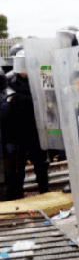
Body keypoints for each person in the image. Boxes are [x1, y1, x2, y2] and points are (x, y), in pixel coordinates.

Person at [1, 49, 50, 200]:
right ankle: (18, 196)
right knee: (18, 166)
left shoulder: (42, 78)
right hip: (17, 128)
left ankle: (45, 192)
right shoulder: (10, 79)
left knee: (41, 163)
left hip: (36, 126)